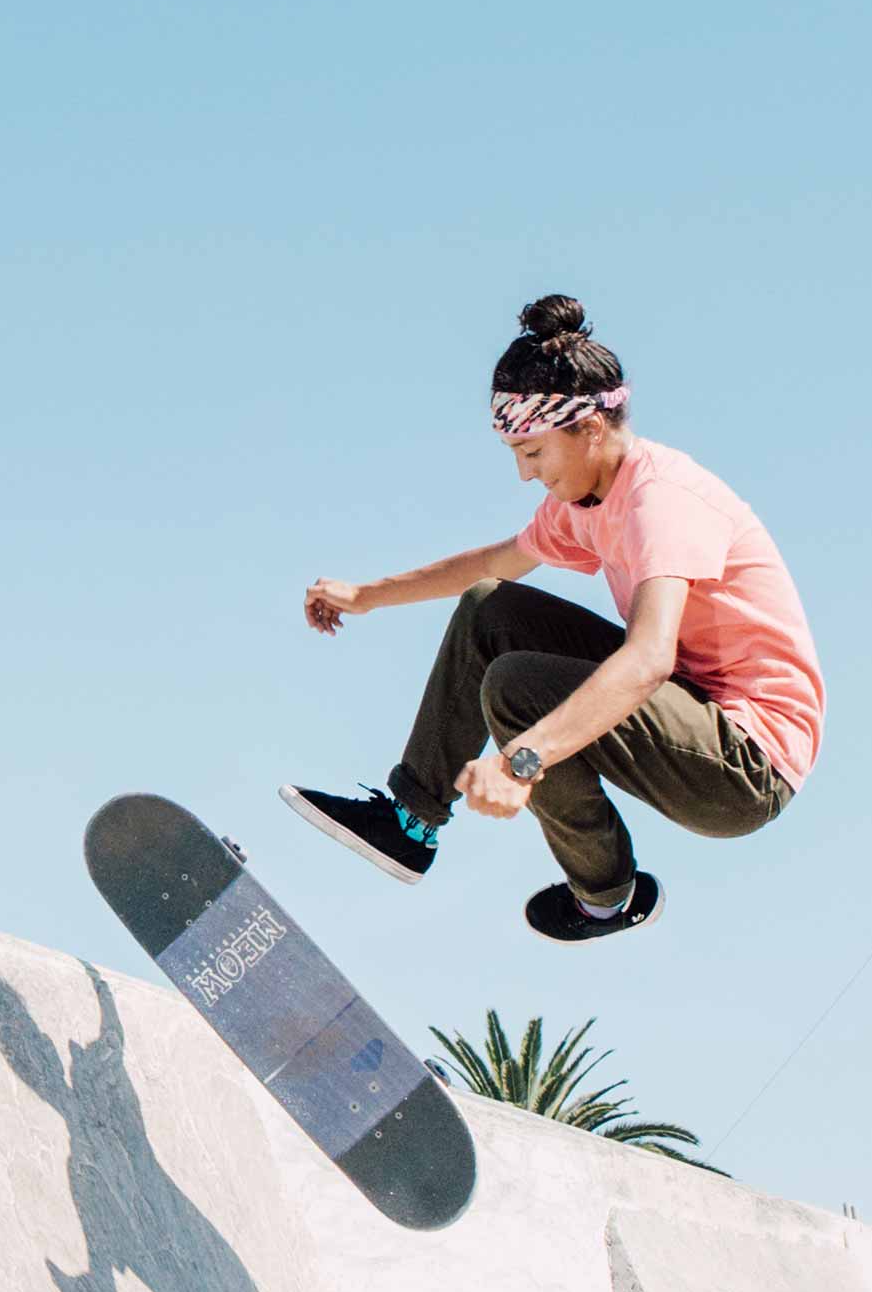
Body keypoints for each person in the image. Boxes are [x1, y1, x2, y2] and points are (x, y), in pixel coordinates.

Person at [282, 294, 822, 944]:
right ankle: (408, 824)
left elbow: (648, 657)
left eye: (534, 454)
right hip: (691, 706)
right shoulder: (588, 499)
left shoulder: (663, 502)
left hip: (746, 765)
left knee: (516, 685)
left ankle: (604, 894)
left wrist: (520, 763)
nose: (524, 473)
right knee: (491, 607)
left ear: (590, 429)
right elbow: (492, 562)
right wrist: (364, 595)